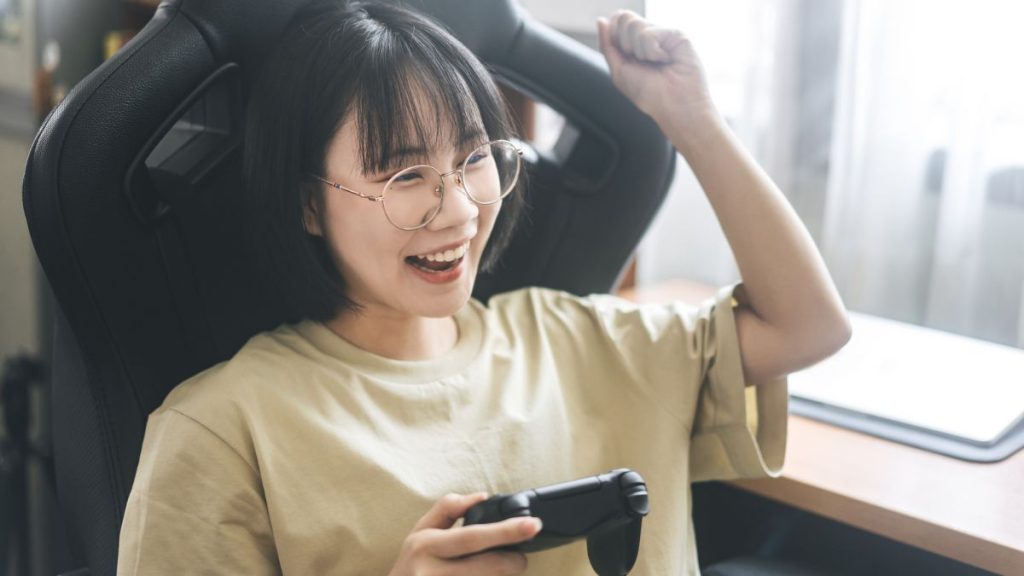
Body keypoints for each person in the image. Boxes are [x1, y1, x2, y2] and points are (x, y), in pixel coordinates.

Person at [117, 1, 851, 575]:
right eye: (405, 176)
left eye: (475, 159)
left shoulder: (577, 339)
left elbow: (810, 327)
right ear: (307, 202)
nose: (462, 210)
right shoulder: (221, 430)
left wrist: (692, 120)